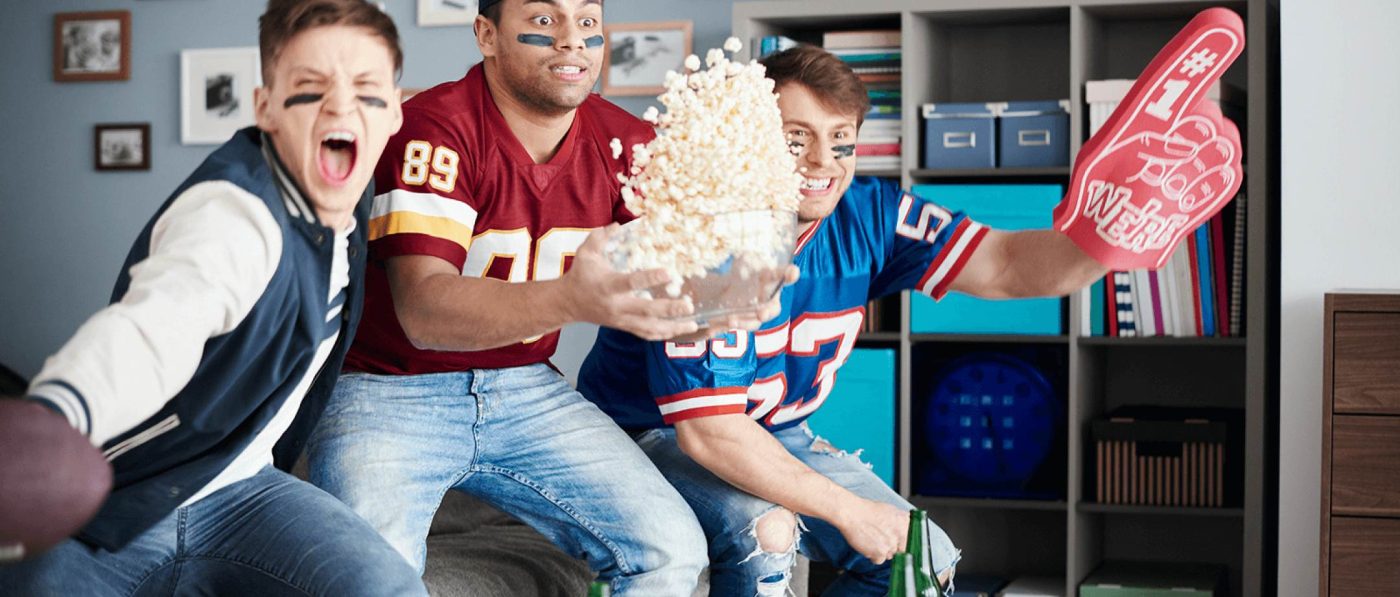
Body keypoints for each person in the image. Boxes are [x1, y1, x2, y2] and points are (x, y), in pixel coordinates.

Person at [576, 43, 1237, 596]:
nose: (822, 163)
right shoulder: (702, 233)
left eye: (841, 142)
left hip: (775, 431)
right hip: (651, 432)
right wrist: (848, 509)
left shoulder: (870, 213)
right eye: (796, 139)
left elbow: (1006, 265)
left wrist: (1101, 241)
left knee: (924, 563)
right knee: (767, 530)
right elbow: (710, 433)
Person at [304, 0, 783, 593]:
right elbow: (423, 311)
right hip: (388, 384)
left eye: (587, 22)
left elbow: (664, 283)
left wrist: (718, 303)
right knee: (371, 579)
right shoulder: (431, 128)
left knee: (669, 551)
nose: (571, 40)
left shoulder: (626, 141)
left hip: (524, 383)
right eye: (543, 20)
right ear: (487, 35)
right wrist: (573, 299)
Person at [0, 1, 427, 594]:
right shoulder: (234, 215)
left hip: (244, 489)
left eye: (366, 90)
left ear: (396, 110)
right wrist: (56, 418)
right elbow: (151, 333)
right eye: (310, 87)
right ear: (266, 107)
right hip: (124, 494)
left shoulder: (352, 196)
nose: (340, 106)